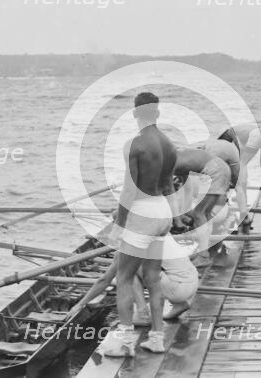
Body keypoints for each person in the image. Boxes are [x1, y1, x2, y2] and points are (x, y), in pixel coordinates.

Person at [105, 92, 178, 356]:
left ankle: (125, 344)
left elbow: (129, 192)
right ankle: (156, 339)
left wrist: (119, 224)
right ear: (157, 113)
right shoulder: (169, 144)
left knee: (123, 279)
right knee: (153, 279)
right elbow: (170, 185)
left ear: (135, 113)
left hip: (142, 215)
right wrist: (176, 216)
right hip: (162, 212)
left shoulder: (135, 144)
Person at [69, 234, 199, 327]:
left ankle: (142, 313)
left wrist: (80, 303)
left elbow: (104, 280)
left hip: (178, 290)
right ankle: (181, 305)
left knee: (125, 271)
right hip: (193, 283)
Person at [173, 147, 231, 267]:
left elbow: (166, 192)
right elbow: (186, 188)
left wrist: (178, 219)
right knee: (205, 214)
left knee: (199, 214)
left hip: (214, 171)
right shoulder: (178, 159)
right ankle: (203, 251)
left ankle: (203, 256)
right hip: (222, 167)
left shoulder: (167, 162)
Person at [218, 123, 261, 223]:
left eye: (222, 138)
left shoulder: (231, 131)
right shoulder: (239, 130)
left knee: (242, 163)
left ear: (224, 133)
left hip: (257, 135)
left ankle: (244, 195)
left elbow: (238, 154)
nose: (224, 141)